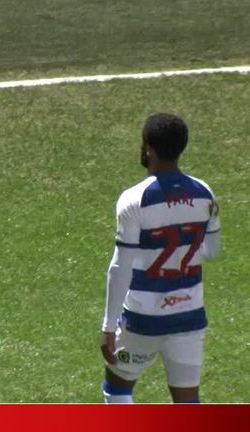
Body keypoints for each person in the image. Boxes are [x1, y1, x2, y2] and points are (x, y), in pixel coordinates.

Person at [99, 113, 221, 403]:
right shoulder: (205, 194)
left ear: (148, 149)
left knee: (118, 387)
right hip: (189, 315)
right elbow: (211, 251)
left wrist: (108, 327)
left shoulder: (134, 200)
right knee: (187, 399)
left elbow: (120, 267)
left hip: (143, 319)